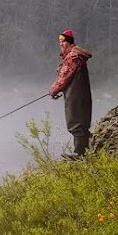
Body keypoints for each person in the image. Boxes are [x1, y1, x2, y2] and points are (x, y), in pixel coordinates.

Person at [49, 29, 93, 157]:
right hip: (80, 94)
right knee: (81, 121)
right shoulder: (76, 55)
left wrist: (53, 90)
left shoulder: (73, 57)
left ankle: (79, 153)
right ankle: (85, 151)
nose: (61, 44)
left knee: (75, 121)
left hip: (75, 95)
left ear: (69, 42)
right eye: (59, 42)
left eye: (63, 41)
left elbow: (65, 76)